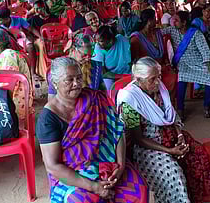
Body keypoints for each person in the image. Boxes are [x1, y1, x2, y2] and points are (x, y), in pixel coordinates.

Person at [37, 57, 149, 203]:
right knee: (81, 200)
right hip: (74, 175)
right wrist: (95, 187)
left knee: (138, 190)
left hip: (108, 164)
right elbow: (53, 166)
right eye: (69, 80)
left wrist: (120, 166)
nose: (76, 84)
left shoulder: (95, 99)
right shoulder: (48, 119)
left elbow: (117, 131)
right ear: (55, 83)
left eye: (79, 77)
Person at [117, 57, 210, 203]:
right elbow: (138, 139)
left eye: (159, 76)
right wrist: (169, 151)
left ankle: (195, 197)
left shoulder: (160, 89)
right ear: (138, 79)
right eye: (152, 79)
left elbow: (171, 116)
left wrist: (180, 135)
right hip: (148, 145)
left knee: (198, 153)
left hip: (170, 134)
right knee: (172, 174)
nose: (158, 82)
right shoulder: (130, 100)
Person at [162, 11, 210, 119]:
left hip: (197, 62)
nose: (174, 22)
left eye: (177, 20)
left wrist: (209, 65)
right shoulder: (172, 30)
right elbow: (159, 32)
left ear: (184, 22)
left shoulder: (196, 33)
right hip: (182, 61)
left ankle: (206, 106)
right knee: (181, 76)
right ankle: (180, 108)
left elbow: (205, 50)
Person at [0, 28, 34, 121]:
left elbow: (10, 83)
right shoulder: (1, 55)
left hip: (15, 97)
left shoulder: (8, 55)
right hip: (7, 94)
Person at [130, 9, 178, 98]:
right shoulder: (136, 39)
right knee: (152, 81)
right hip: (147, 70)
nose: (157, 20)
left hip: (160, 67)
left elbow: (164, 55)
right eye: (155, 18)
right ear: (149, 21)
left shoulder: (157, 32)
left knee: (173, 76)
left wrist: (167, 64)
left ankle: (167, 103)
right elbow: (136, 61)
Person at [47, 34, 105, 99]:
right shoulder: (59, 69)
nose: (87, 59)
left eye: (90, 55)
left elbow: (103, 92)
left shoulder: (96, 66)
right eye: (84, 55)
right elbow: (52, 99)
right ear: (73, 49)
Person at [0, 7, 40, 74]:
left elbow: (31, 29)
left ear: (7, 19)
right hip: (5, 43)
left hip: (19, 40)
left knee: (31, 47)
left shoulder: (18, 20)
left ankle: (33, 72)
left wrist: (40, 37)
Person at [93, 25, 132, 91]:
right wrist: (121, 77)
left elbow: (130, 58)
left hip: (127, 72)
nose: (98, 43)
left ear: (111, 40)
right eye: (97, 41)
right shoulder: (98, 48)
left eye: (101, 41)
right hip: (110, 76)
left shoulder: (121, 39)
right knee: (110, 88)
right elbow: (103, 73)